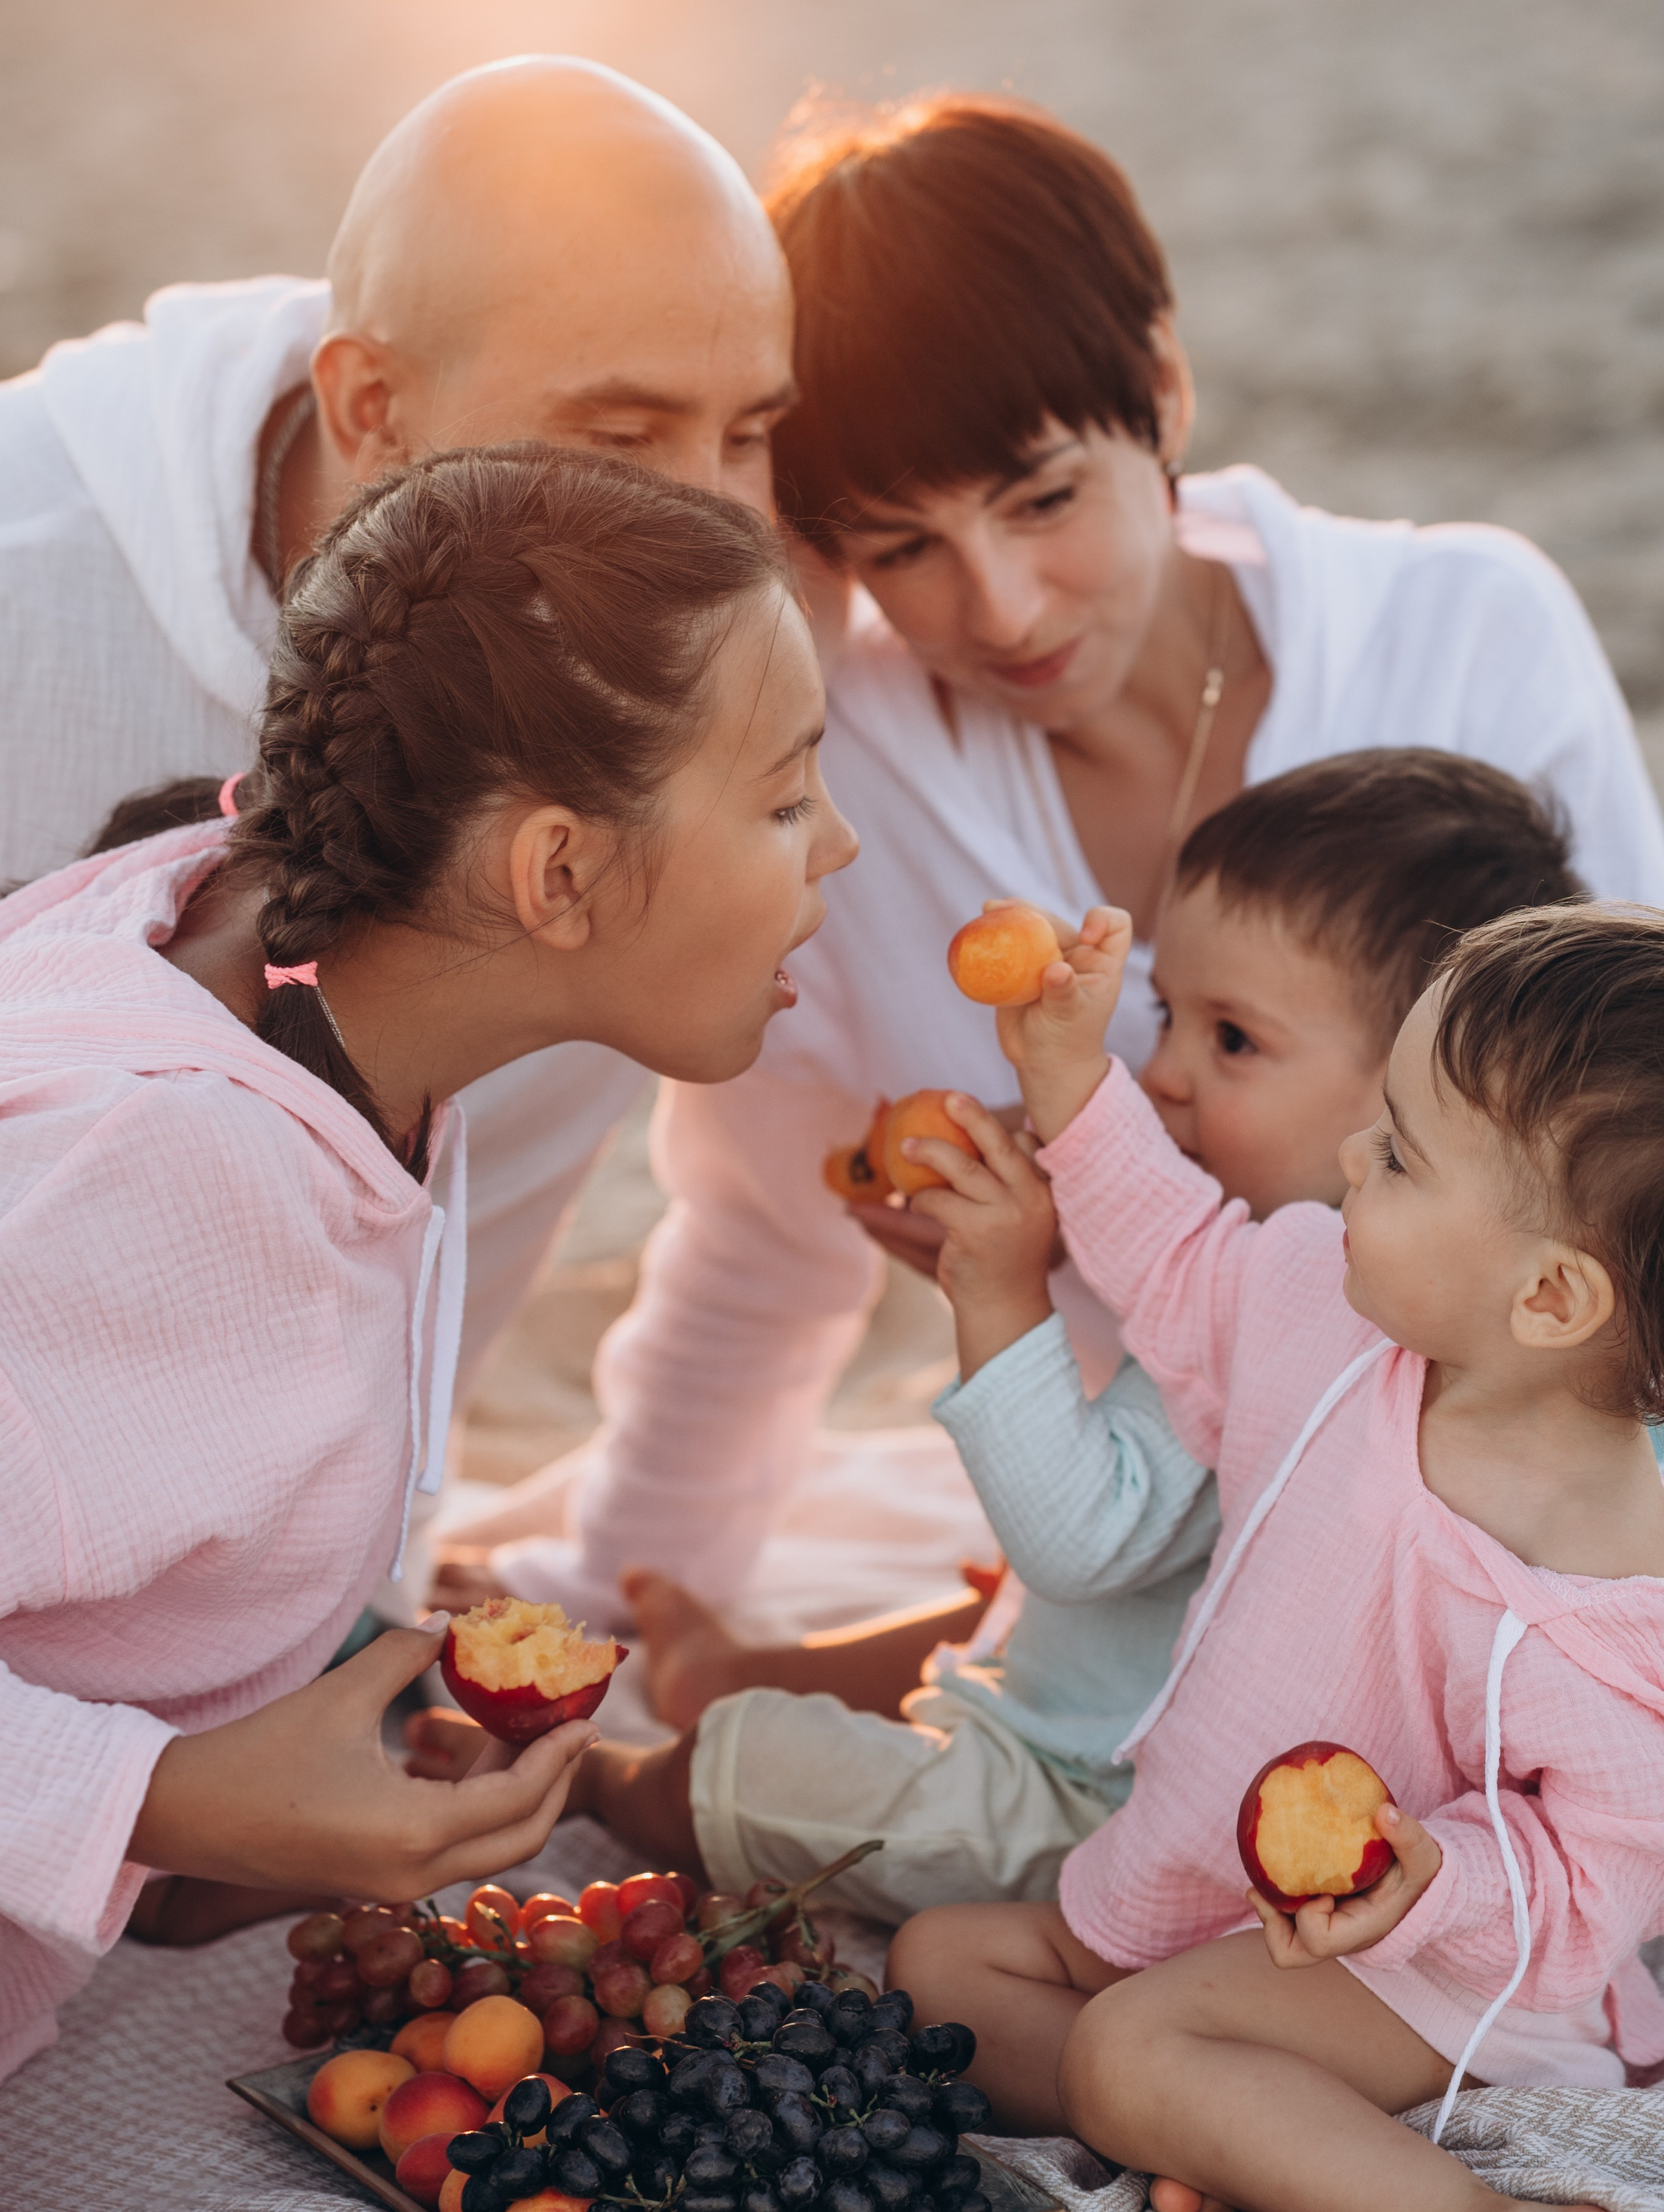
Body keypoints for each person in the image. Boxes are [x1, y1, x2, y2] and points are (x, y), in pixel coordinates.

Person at [486, 93, 1664, 1635]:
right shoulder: (843, 775)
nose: (1005, 608)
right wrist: (615, 1591)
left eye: (1043, 499)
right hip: (1143, 1519)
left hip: (1539, 1513)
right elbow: (760, 1240)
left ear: (1161, 390)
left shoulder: (1461, 635)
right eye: (901, 547)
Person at [0, 443, 854, 2083]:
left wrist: (275, 1759)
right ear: (555, 874)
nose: (839, 850)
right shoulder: (152, 1176)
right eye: (783, 795)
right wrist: (168, 1804)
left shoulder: (269, 944)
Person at [508, 751, 1584, 1917]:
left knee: (766, 1768)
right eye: (1169, 1011)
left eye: (1233, 1042)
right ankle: (729, 1669)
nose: (1160, 1074)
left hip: (1110, 1794)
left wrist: (1002, 1290)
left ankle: (607, 1784)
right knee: (991, 1606)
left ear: (1416, 1101)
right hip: (1100, 1690)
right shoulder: (1407, 1288)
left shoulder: (1313, 1316)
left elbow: (1080, 1535)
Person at [889, 896, 1664, 2212]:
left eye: (1397, 1155)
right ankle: (1255, 2136)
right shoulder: (1328, 1304)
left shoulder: (1599, 1592)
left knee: (1124, 2055)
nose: (1344, 1164)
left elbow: (1595, 1876)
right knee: (942, 1966)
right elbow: (1172, 1254)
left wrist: (1429, 1873)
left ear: (1551, 1295)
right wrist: (1062, 1075)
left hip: (1431, 1970)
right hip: (1207, 1888)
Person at [0, 53, 796, 1432]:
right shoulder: (29, 582)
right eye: (620, 431)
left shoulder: (739, 658)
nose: (715, 521)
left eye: (750, 432)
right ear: (372, 407)